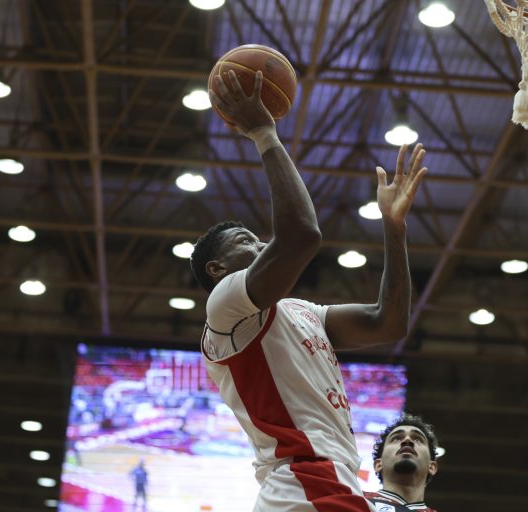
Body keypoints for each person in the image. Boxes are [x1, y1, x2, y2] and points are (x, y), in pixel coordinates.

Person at [191, 68, 427, 512]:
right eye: (245, 241)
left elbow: (389, 323)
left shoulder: (300, 310)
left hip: (327, 483)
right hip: (305, 483)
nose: (261, 244)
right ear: (217, 268)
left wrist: (394, 228)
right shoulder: (224, 309)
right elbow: (301, 235)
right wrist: (263, 133)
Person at [365, 414, 440, 512]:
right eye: (396, 439)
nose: (407, 440)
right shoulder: (356, 500)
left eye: (417, 439)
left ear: (432, 467)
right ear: (378, 464)